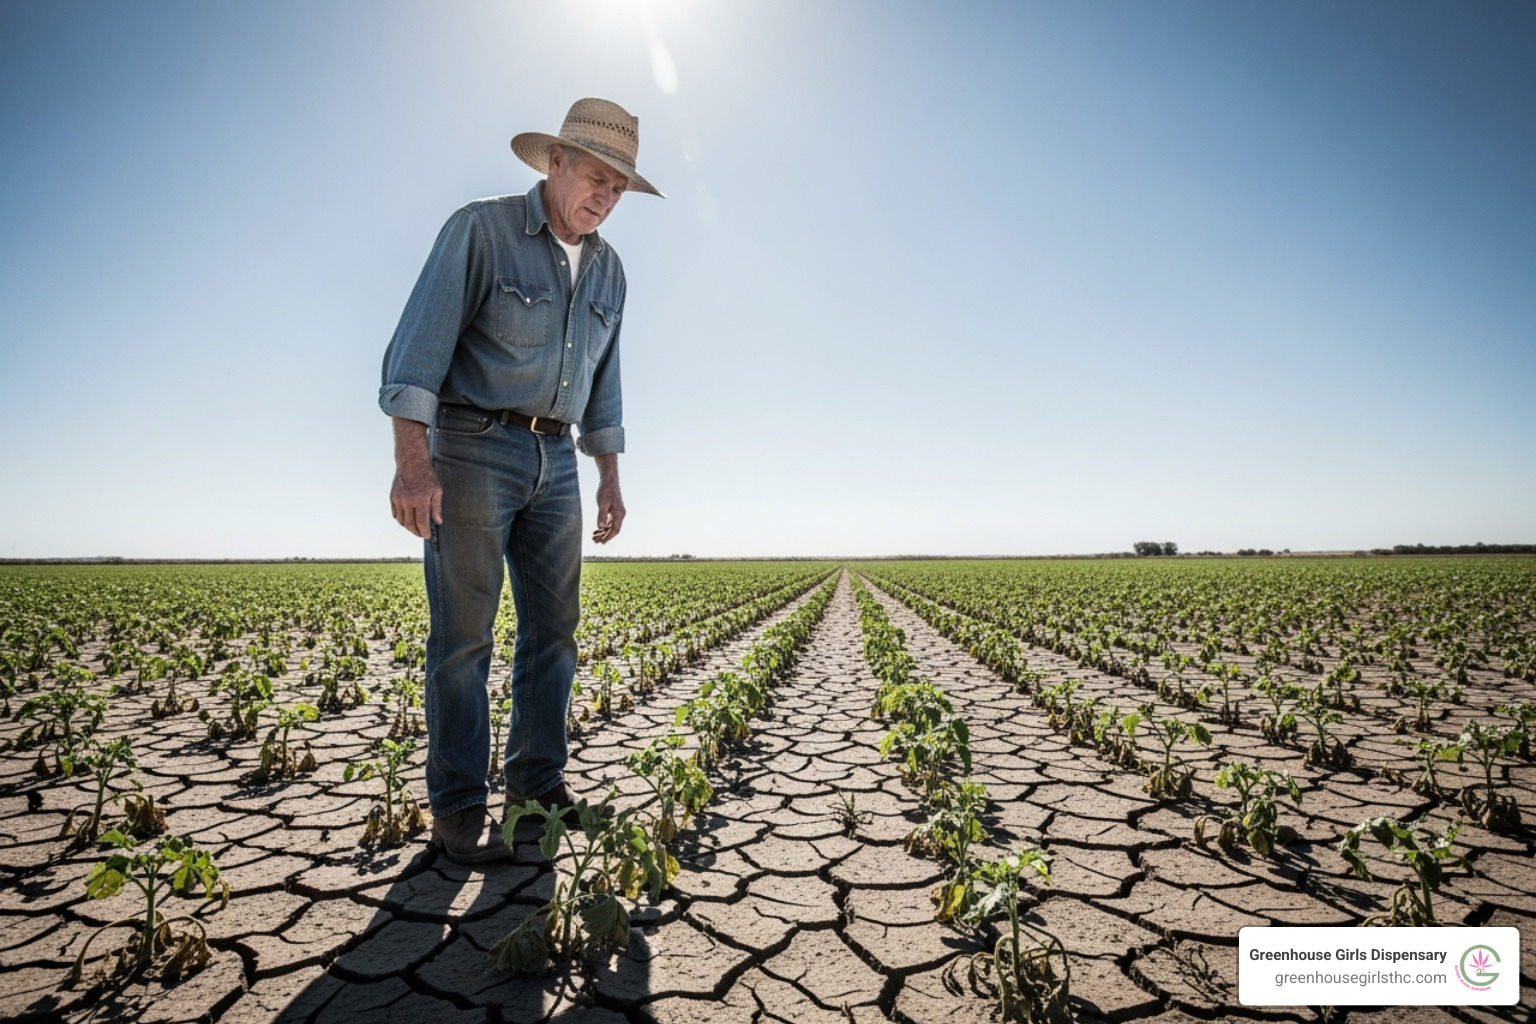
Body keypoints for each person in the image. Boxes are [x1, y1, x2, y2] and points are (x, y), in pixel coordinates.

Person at [379, 98, 663, 864]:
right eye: (594, 177)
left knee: (554, 634)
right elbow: (415, 353)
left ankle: (536, 791)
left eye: (617, 187)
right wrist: (414, 461)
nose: (603, 197)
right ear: (554, 163)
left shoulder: (609, 268)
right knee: (464, 638)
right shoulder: (481, 230)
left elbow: (606, 386)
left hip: (557, 461)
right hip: (471, 449)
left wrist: (609, 478)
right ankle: (459, 810)